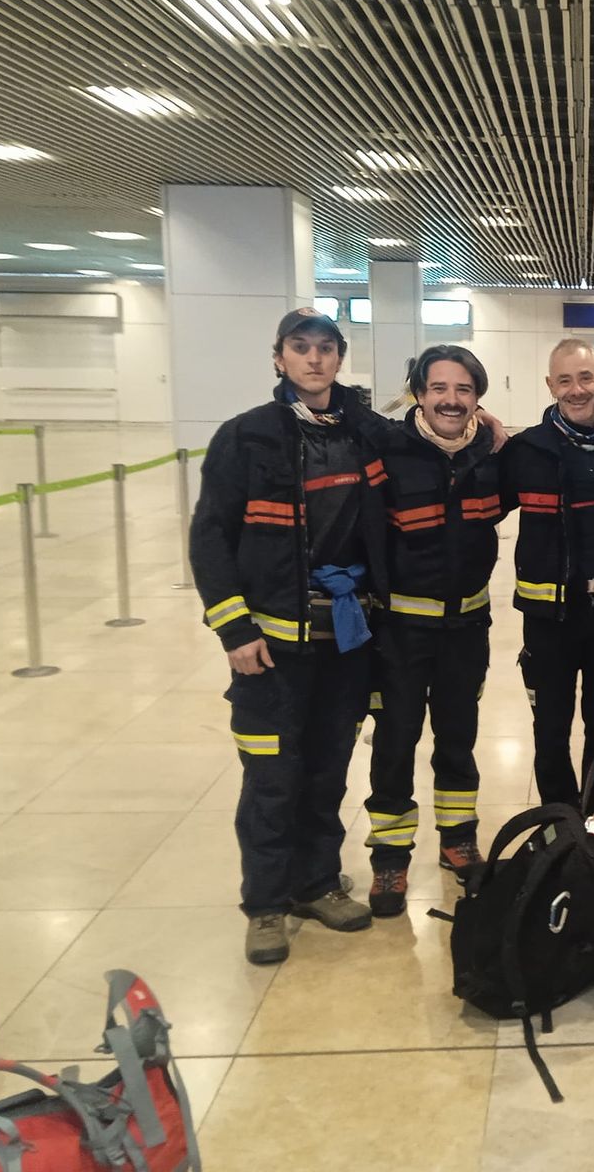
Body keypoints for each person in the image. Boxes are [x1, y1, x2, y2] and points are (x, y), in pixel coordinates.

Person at [190, 306, 389, 964]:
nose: (313, 359)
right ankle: (266, 903)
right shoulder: (245, 438)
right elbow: (210, 537)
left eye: (325, 348)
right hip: (271, 651)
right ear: (279, 357)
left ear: (339, 358)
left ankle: (314, 883)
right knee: (273, 776)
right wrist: (235, 630)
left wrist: (490, 428)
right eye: (300, 348)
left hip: (345, 639)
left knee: (329, 769)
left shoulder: (366, 434)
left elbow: (431, 444)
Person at [363, 345, 502, 917]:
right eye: (439, 388)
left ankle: (458, 838)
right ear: (419, 393)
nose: (451, 399)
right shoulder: (387, 451)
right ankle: (390, 857)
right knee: (394, 743)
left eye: (464, 389)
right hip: (399, 631)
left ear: (477, 398)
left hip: (466, 628)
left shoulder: (492, 456)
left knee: (458, 736)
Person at [500, 338, 594, 808]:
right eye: (564, 380)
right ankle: (559, 822)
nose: (576, 389)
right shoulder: (526, 450)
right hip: (550, 619)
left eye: (586, 377)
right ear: (550, 386)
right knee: (550, 727)